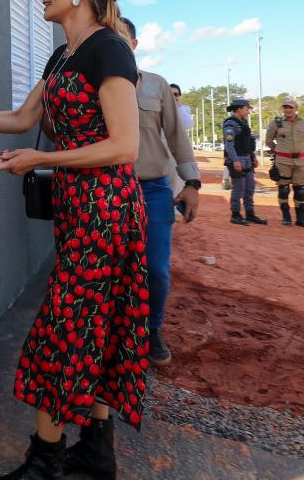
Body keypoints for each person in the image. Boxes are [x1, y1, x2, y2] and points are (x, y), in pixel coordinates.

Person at [0, 0, 146, 480]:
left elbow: (124, 146)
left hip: (106, 210)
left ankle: (45, 463)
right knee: (93, 327)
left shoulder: (110, 50)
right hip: (80, 210)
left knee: (65, 330)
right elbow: (20, 117)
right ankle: (95, 454)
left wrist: (44, 158)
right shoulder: (61, 55)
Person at [123, 18, 200, 367]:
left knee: (156, 268)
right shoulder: (94, 86)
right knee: (112, 269)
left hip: (153, 189)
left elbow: (176, 137)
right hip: (109, 189)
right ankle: (116, 332)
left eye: (122, 38)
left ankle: (152, 329)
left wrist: (192, 183)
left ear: (135, 44)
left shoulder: (156, 86)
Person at [265, 97, 304, 228]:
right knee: (283, 189)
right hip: (283, 161)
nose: (287, 110)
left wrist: (298, 150)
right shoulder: (276, 123)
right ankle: (286, 217)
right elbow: (268, 141)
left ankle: (300, 218)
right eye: (285, 107)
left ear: (296, 109)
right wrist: (281, 150)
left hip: (300, 161)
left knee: (300, 190)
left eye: (290, 107)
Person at [223, 99, 266, 226]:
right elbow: (229, 145)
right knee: (238, 188)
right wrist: (235, 160)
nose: (248, 111)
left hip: (247, 158)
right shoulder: (230, 124)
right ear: (238, 109)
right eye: (247, 109)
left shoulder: (243, 123)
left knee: (250, 187)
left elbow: (248, 143)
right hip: (237, 158)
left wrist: (253, 157)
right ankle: (235, 214)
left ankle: (250, 213)